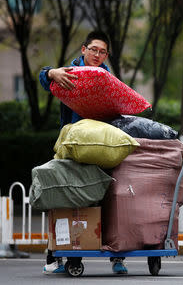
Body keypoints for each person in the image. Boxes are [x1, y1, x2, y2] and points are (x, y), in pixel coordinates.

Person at [39, 30, 127, 275]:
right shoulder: (68, 73)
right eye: (93, 50)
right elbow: (43, 78)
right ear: (83, 49)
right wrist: (50, 72)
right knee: (70, 200)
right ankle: (69, 258)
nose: (97, 55)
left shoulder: (107, 77)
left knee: (109, 200)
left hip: (101, 146)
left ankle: (117, 258)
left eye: (102, 52)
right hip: (73, 145)